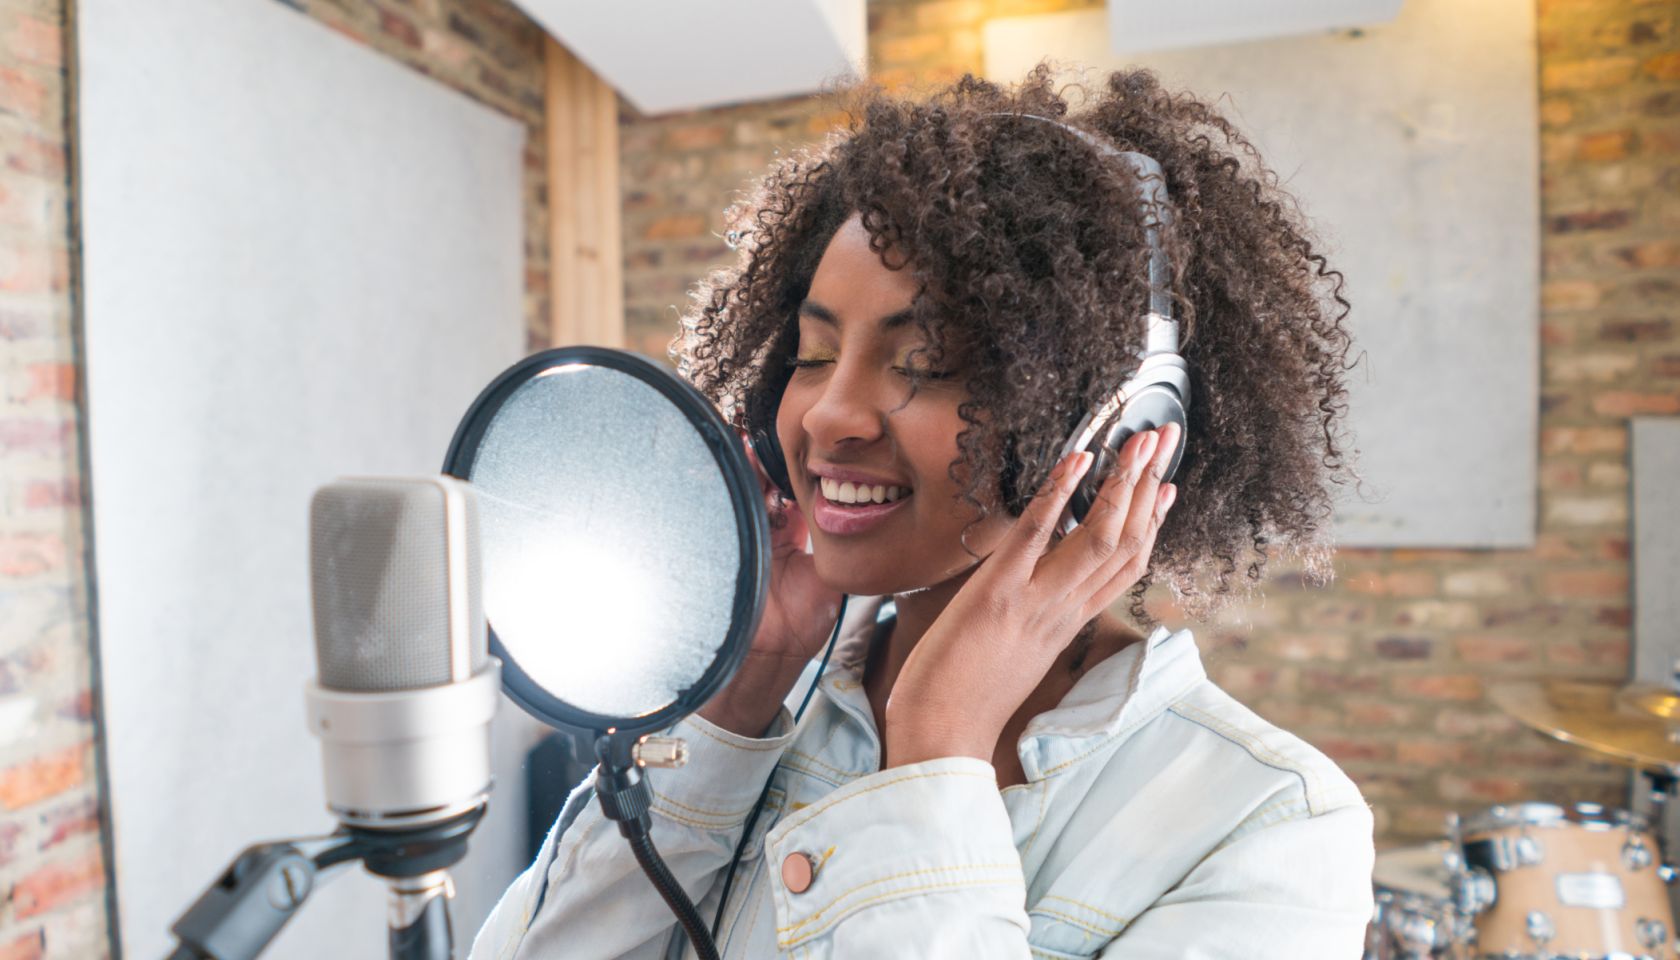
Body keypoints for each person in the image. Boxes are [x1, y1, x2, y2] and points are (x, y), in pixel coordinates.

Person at [472, 66, 1374, 959]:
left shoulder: (1270, 826)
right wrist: (737, 702)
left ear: (1125, 428)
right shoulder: (766, 702)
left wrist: (937, 750)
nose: (827, 414)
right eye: (815, 354)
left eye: (925, 363)